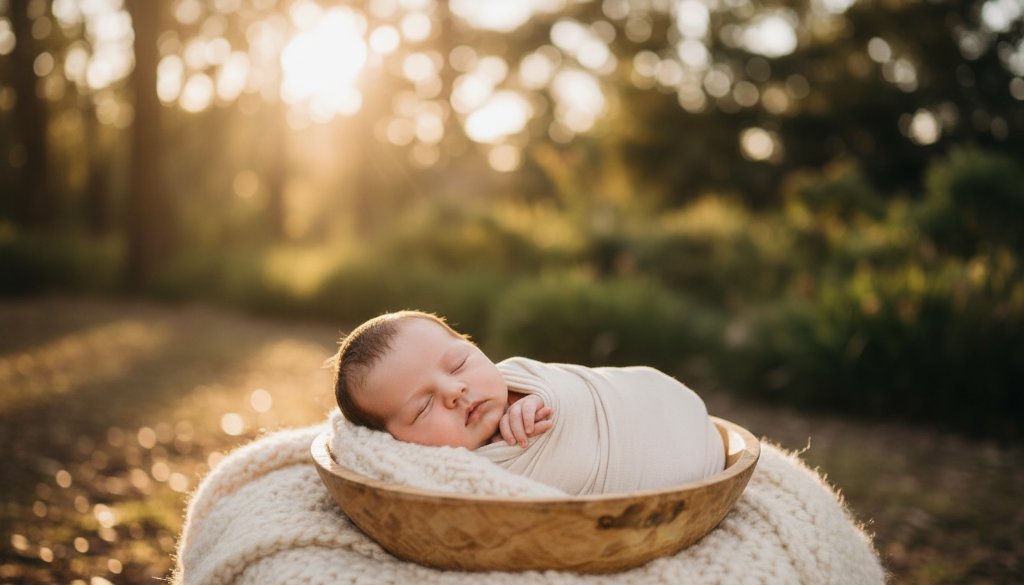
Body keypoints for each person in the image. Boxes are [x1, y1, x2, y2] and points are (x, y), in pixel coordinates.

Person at [332, 310, 724, 495]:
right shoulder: (439, 480)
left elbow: (575, 391)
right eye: (422, 408)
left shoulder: (526, 381)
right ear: (394, 441)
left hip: (662, 409)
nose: (454, 392)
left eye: (459, 363)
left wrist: (538, 398)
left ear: (473, 346)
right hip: (664, 484)